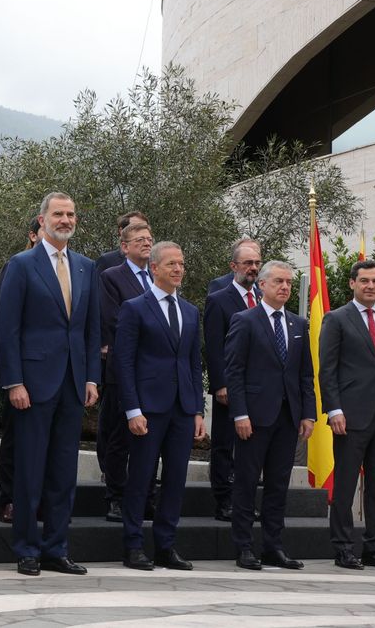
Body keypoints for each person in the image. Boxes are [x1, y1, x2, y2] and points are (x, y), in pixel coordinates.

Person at [0, 192, 100, 577]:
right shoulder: (21, 265)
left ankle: (57, 548)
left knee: (63, 472)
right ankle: (26, 548)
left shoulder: (87, 267)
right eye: (58, 214)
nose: (66, 220)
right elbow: (8, 330)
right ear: (42, 220)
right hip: (33, 386)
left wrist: (91, 377)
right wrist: (14, 382)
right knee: (29, 471)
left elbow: (90, 329)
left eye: (71, 214)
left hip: (73, 384)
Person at [114, 241, 206, 571]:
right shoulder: (135, 307)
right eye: (172, 264)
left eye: (181, 264)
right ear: (155, 268)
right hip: (148, 410)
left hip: (182, 409)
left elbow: (195, 364)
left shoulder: (191, 311)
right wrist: (132, 409)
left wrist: (197, 410)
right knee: (140, 478)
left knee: (175, 480)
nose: (179, 269)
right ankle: (134, 545)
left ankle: (166, 545)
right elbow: (123, 363)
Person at [319, 259, 375, 571]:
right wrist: (334, 409)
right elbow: (327, 370)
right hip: (349, 418)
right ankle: (344, 549)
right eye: (364, 281)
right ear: (352, 284)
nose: (370, 286)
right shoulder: (336, 319)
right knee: (345, 486)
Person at [223, 260, 315, 570]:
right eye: (278, 281)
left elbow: (305, 375)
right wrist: (239, 413)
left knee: (278, 484)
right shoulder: (244, 320)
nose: (285, 287)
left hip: (288, 417)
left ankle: (274, 546)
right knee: (247, 482)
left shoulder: (298, 325)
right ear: (261, 285)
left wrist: (308, 414)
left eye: (289, 282)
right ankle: (244, 547)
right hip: (254, 417)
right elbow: (234, 371)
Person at [97, 221, 157, 522]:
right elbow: (113, 321)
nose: (146, 243)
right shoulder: (112, 277)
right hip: (123, 370)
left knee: (149, 438)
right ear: (124, 246)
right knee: (119, 437)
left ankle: (146, 495)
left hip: (153, 373)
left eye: (149, 238)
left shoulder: (157, 277)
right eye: (140, 239)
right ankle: (116, 497)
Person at [202, 240, 263, 522]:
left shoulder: (264, 297)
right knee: (225, 445)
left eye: (257, 263)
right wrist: (220, 384)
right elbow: (213, 346)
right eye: (248, 263)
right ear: (233, 266)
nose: (253, 268)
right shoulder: (219, 298)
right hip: (230, 386)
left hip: (257, 387)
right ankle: (223, 501)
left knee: (250, 449)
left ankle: (245, 500)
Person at [0, 216, 40, 524]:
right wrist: (14, 378)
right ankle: (9, 499)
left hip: (54, 371)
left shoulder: (72, 268)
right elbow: (5, 323)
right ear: (33, 235)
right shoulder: (18, 265)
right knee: (15, 438)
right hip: (23, 371)